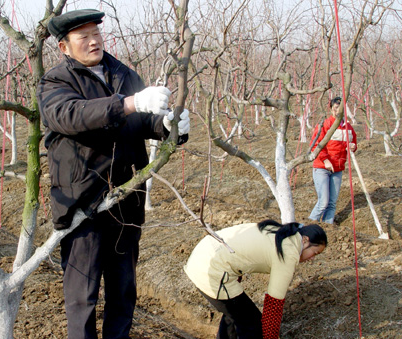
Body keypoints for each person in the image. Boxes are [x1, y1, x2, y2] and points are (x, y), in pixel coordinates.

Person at [36, 9, 190, 339]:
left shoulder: (121, 73)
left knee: (123, 289)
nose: (94, 42)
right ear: (64, 47)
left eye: (97, 34)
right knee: (83, 295)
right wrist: (130, 102)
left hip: (126, 199)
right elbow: (71, 116)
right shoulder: (55, 82)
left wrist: (167, 126)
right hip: (83, 204)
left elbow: (142, 119)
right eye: (84, 37)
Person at [184, 219, 327, 339]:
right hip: (211, 270)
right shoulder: (289, 252)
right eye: (314, 252)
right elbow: (274, 303)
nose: (312, 259)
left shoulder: (278, 231)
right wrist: (270, 336)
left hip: (203, 256)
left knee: (235, 314)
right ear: (305, 240)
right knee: (253, 326)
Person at [309, 96, 357, 224]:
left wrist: (352, 146)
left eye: (341, 109)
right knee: (323, 201)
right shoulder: (325, 125)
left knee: (332, 203)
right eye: (336, 108)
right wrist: (325, 160)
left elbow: (352, 143)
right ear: (331, 109)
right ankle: (310, 225)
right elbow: (316, 145)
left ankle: (327, 227)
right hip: (322, 168)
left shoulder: (348, 128)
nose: (338, 111)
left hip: (338, 169)